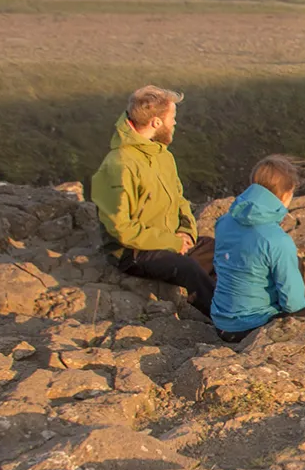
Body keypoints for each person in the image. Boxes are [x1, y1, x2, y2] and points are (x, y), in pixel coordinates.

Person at [91, 85, 215, 316]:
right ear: (156, 122)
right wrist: (173, 242)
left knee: (222, 253)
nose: (175, 124)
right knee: (188, 268)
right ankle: (228, 324)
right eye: (172, 118)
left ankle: (245, 310)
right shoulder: (119, 164)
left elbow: (180, 200)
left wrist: (186, 233)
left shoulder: (163, 155)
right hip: (134, 252)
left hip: (170, 239)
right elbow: (121, 229)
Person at [210, 154, 305, 343]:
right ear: (286, 194)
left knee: (293, 265)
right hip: (251, 329)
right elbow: (293, 305)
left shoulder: (224, 222)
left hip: (222, 324)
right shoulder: (276, 240)